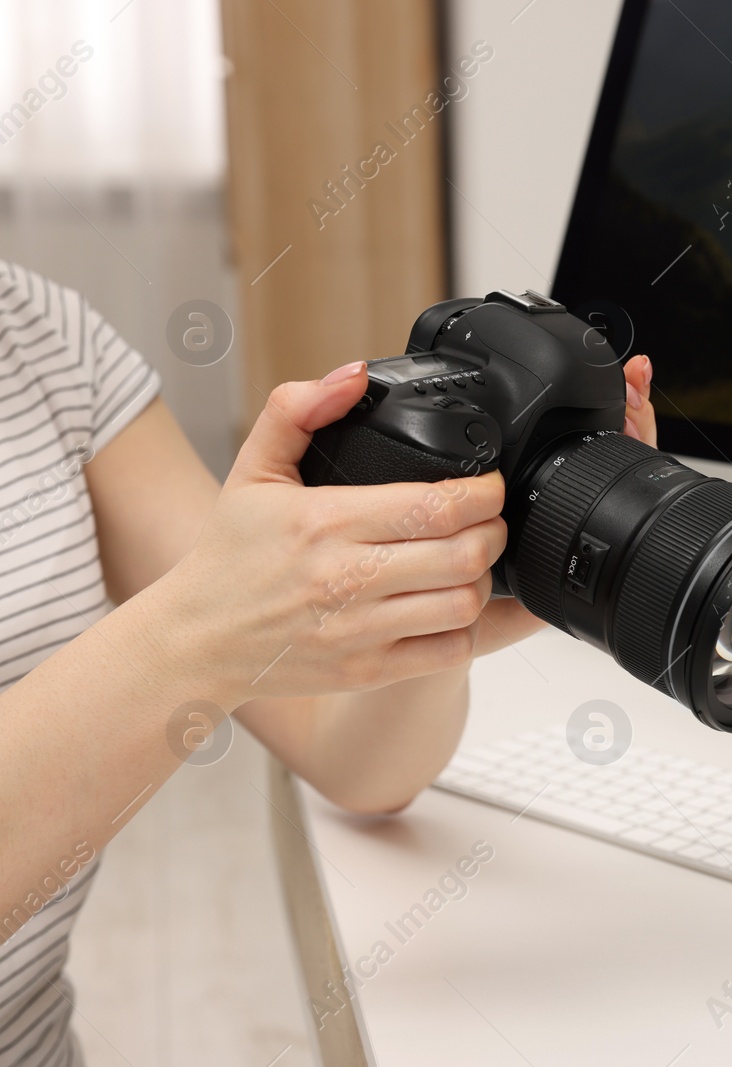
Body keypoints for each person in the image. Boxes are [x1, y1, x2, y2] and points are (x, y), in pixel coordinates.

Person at [0, 261, 658, 1066]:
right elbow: (209, 621)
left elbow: (353, 760)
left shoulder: (38, 337)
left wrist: (442, 599)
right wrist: (197, 635)